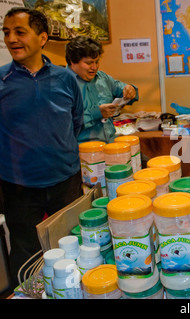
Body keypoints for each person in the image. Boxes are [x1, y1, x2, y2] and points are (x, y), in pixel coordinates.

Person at [0, 8, 84, 288]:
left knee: (71, 245)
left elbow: (76, 122)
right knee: (26, 254)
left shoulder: (65, 78)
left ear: (42, 38)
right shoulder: (1, 81)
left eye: (20, 32)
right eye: (6, 32)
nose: (11, 38)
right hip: (19, 184)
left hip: (66, 179)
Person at [65, 36, 139, 144]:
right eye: (89, 63)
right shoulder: (62, 84)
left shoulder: (102, 78)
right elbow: (64, 124)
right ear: (73, 62)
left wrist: (130, 90)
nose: (94, 67)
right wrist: (96, 113)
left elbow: (122, 88)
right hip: (83, 152)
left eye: (97, 62)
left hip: (110, 144)